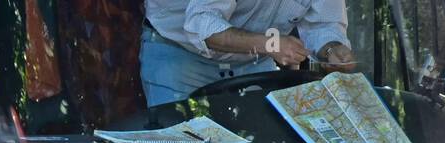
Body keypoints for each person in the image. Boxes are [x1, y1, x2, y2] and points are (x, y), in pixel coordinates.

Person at [141, 0, 356, 107]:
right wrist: (271, 45)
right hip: (180, 56)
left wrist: (331, 49)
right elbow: (203, 25)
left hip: (254, 63)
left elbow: (324, 24)